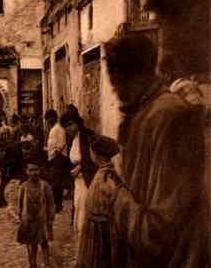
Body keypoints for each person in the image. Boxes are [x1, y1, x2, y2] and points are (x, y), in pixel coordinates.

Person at [105, 33, 209, 266]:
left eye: (114, 77)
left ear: (129, 75)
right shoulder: (144, 112)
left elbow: (160, 232)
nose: (113, 88)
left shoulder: (171, 116)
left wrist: (116, 195)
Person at [76, 135, 126, 268]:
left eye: (91, 151)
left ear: (96, 154)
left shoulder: (108, 177)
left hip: (103, 231)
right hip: (93, 228)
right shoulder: (101, 173)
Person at [60, 106, 97, 252]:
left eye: (70, 125)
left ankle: (89, 251)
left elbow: (94, 159)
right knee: (79, 212)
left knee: (85, 214)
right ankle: (83, 250)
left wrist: (80, 167)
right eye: (66, 126)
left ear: (77, 123)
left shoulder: (87, 136)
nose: (68, 128)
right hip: (78, 182)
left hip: (88, 180)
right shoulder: (73, 138)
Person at [17, 163, 55, 268]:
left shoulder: (45, 185)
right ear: (27, 172)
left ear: (40, 171)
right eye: (31, 170)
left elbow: (51, 203)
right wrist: (20, 216)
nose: (34, 173)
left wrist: (51, 218)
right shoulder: (23, 186)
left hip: (42, 219)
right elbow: (20, 203)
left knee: (44, 242)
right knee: (32, 243)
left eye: (36, 170)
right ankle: (33, 264)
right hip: (29, 219)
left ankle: (47, 263)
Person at [44, 109, 66, 213]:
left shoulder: (59, 129)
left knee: (57, 183)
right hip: (53, 158)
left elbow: (61, 144)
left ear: (53, 118)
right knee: (54, 182)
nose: (47, 122)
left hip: (58, 158)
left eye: (48, 119)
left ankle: (58, 204)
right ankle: (56, 204)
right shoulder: (53, 129)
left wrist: (55, 154)